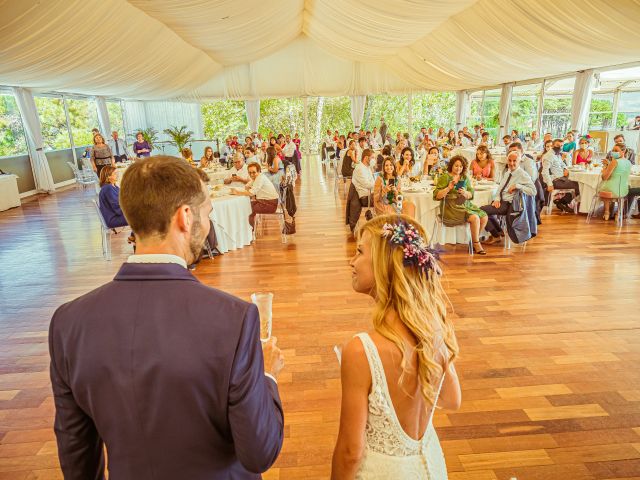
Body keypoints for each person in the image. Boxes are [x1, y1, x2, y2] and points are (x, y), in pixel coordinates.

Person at [50, 156, 285, 479]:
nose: (209, 224)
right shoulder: (234, 319)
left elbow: (77, 456)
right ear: (185, 217)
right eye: (208, 214)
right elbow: (260, 452)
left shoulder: (68, 322)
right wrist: (267, 376)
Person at [332, 214, 460, 479]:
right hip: (430, 466)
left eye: (359, 252)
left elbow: (350, 452)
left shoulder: (361, 351)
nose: (351, 261)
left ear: (383, 263)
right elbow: (452, 399)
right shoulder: (433, 330)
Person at [433, 156, 489, 255]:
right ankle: (476, 243)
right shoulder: (445, 177)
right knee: (475, 218)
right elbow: (437, 195)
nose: (458, 168)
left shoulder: (464, 178)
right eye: (456, 166)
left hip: (464, 205)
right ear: (451, 166)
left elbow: (471, 194)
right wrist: (448, 188)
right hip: (450, 208)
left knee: (484, 217)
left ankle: (472, 241)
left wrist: (465, 193)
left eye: (461, 166)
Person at [481, 151, 537, 244]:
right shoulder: (508, 172)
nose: (511, 163)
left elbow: (533, 191)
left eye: (514, 161)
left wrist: (518, 186)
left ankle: (496, 235)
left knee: (481, 210)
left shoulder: (523, 174)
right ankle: (498, 233)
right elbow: (500, 188)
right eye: (510, 160)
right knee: (486, 210)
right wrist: (497, 198)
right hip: (502, 201)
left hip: (510, 205)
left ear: (519, 161)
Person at [232, 163, 280, 229]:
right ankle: (251, 229)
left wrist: (237, 192)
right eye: (250, 172)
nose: (251, 174)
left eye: (254, 172)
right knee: (245, 206)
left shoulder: (260, 178)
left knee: (245, 209)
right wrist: (248, 190)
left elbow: (251, 193)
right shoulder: (257, 177)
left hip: (269, 204)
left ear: (259, 171)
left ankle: (251, 230)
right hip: (265, 202)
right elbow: (247, 186)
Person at [541, 138, 579, 213]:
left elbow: (562, 164)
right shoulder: (549, 156)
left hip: (561, 178)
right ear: (552, 145)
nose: (560, 147)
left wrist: (564, 169)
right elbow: (544, 172)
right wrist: (549, 184)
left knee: (578, 182)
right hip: (555, 180)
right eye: (558, 145)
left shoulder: (557, 154)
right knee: (578, 185)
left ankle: (562, 201)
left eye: (561, 145)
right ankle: (564, 202)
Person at [599, 143, 632, 221]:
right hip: (624, 190)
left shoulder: (614, 161)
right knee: (619, 192)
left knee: (604, 186)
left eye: (616, 150)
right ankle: (618, 213)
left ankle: (607, 212)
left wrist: (605, 167)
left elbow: (604, 177)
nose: (613, 152)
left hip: (611, 190)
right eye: (613, 150)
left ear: (623, 152)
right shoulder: (629, 163)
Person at [346, 149, 375, 233]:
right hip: (366, 197)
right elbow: (367, 184)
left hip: (370, 193)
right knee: (386, 200)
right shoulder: (360, 169)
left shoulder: (367, 167)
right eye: (372, 158)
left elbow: (371, 182)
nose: (374, 160)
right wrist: (378, 184)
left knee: (388, 197)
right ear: (366, 158)